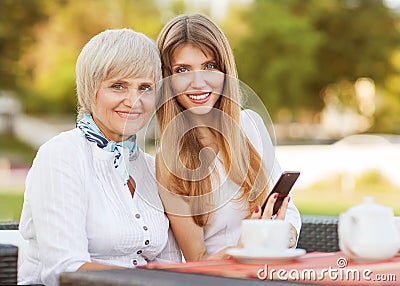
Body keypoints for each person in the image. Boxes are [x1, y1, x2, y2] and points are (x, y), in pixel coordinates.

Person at [18, 28, 181, 286]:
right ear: (91, 89)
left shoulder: (152, 167)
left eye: (145, 88)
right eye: (118, 86)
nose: (133, 101)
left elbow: (171, 265)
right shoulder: (61, 155)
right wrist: (152, 280)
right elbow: (64, 270)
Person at [155, 13, 301, 261]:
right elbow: (197, 261)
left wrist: (278, 234)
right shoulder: (168, 161)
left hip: (271, 267)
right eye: (182, 70)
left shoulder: (251, 124)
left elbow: (291, 213)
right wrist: (244, 248)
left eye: (209, 66)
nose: (198, 82)